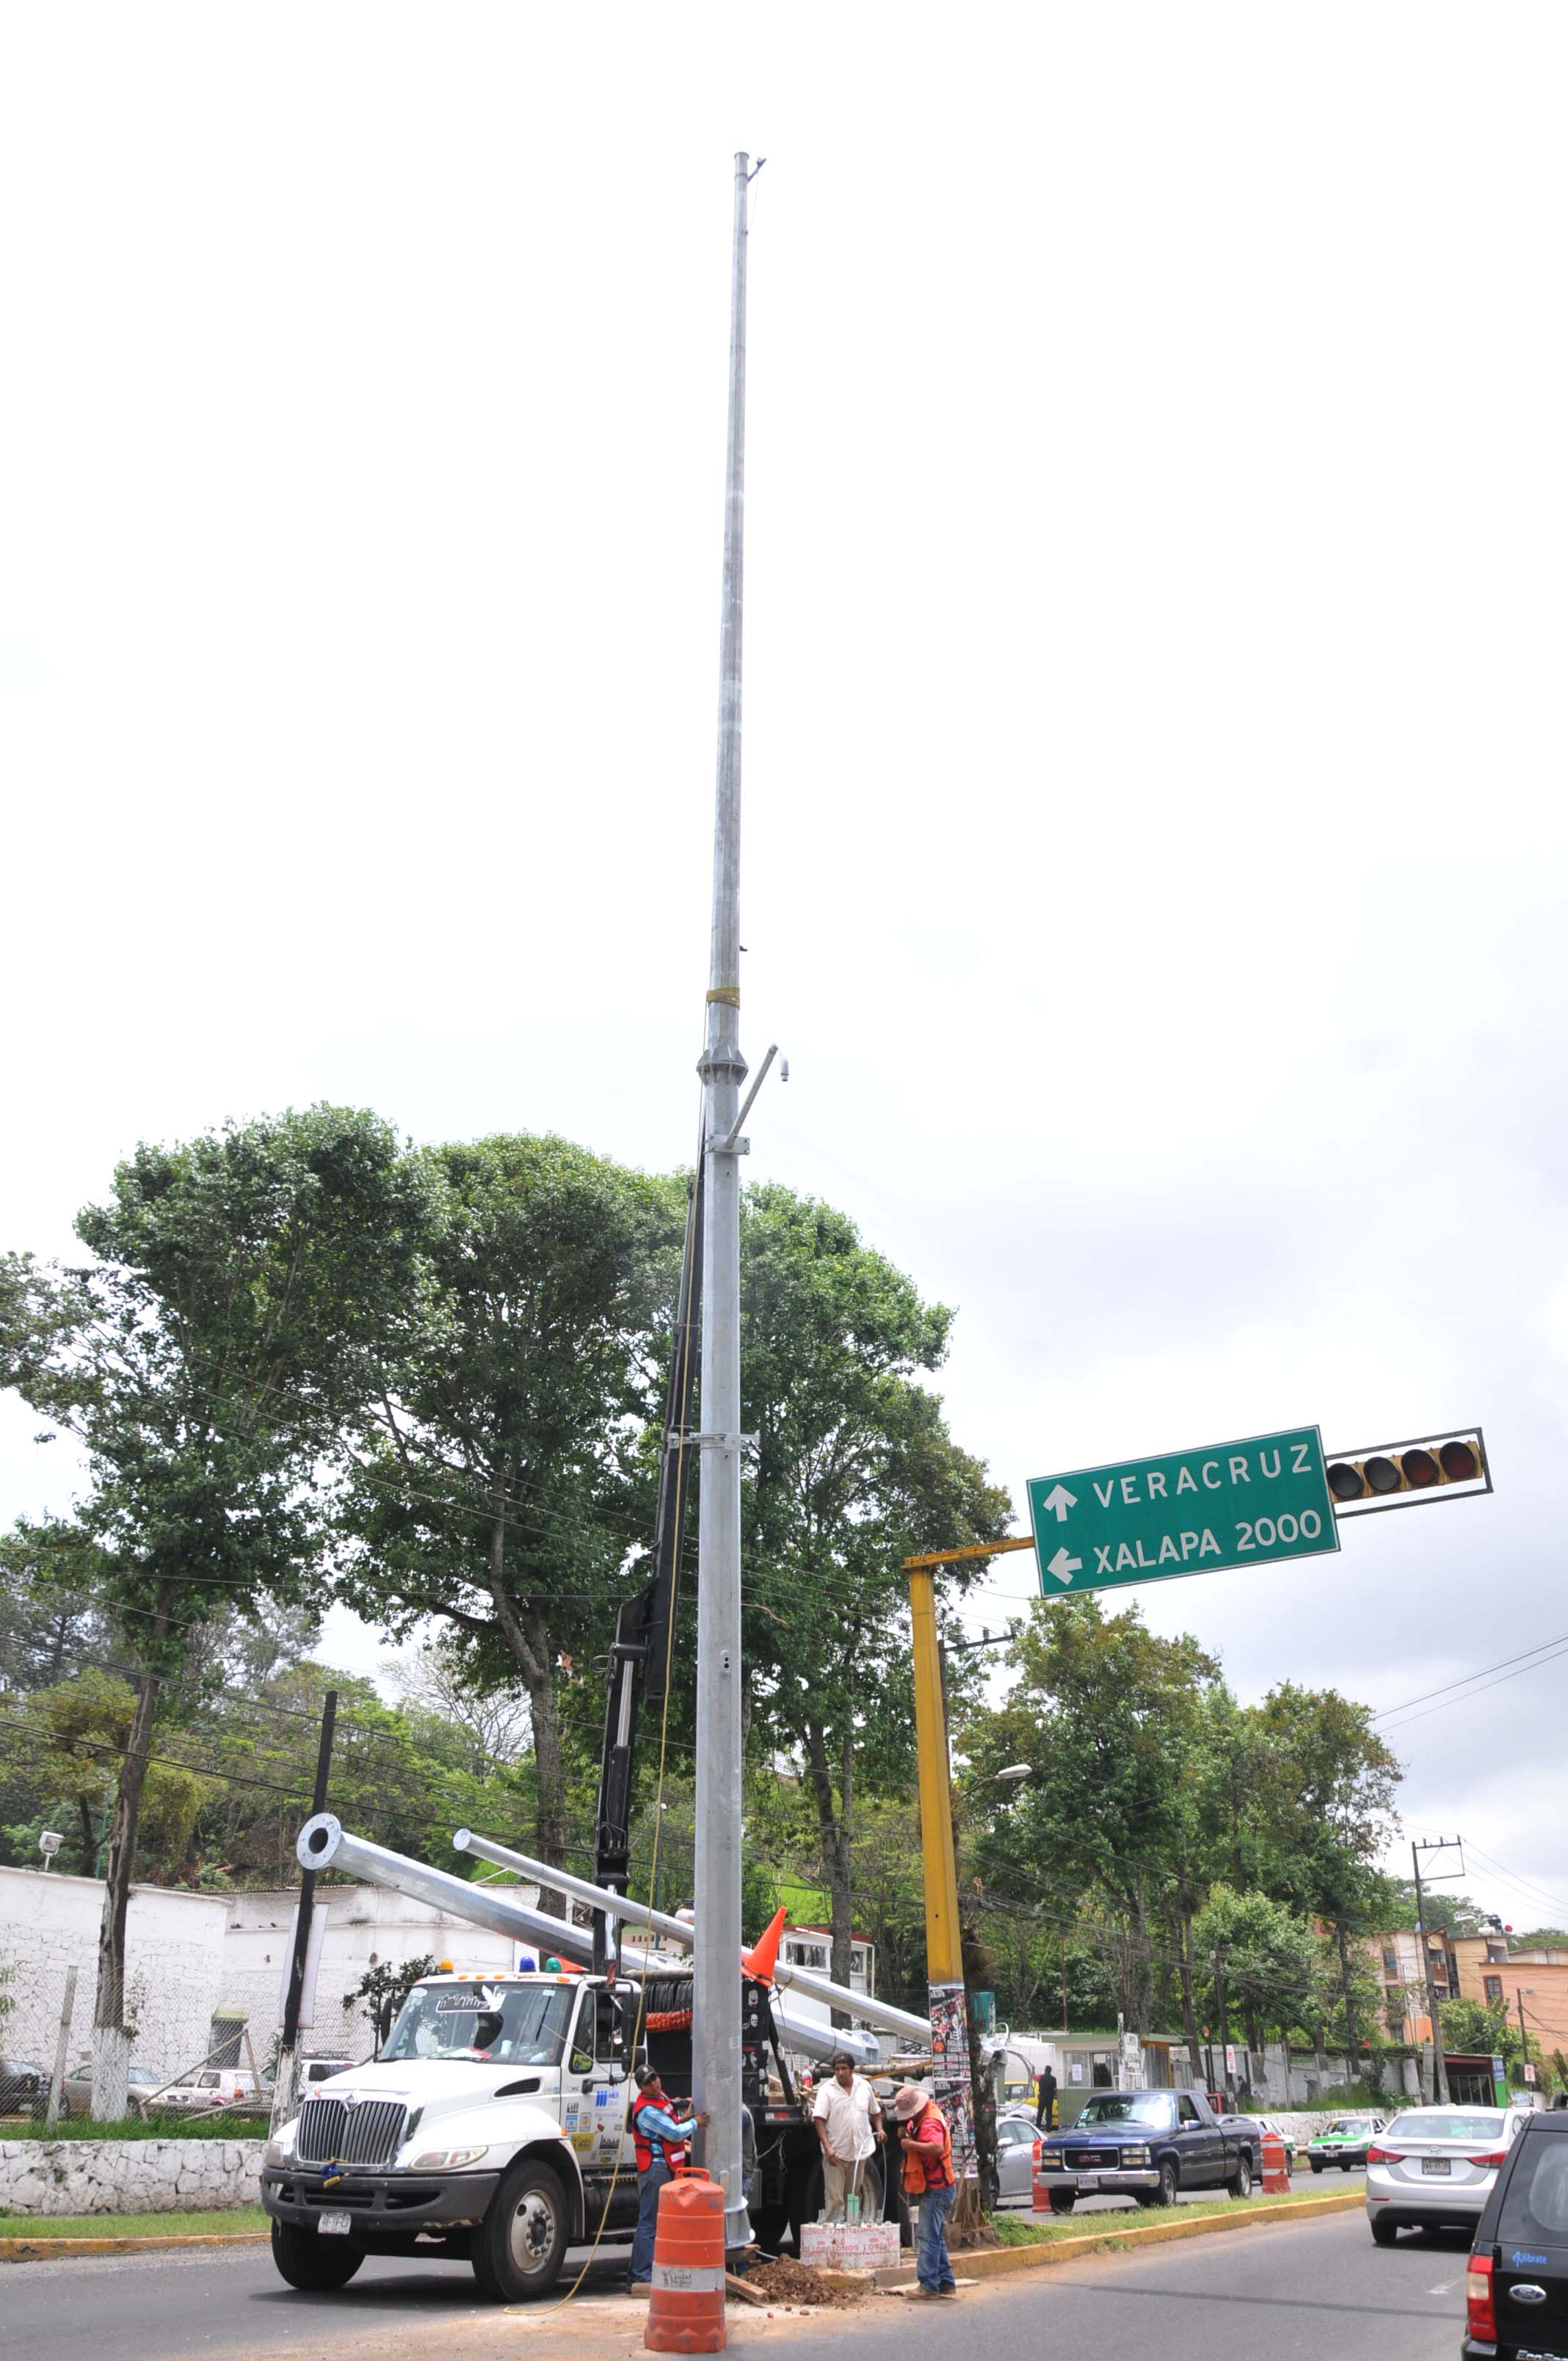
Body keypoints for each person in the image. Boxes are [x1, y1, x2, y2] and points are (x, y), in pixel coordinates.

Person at [628, 2067, 706, 2292]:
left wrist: (685, 2119)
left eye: (655, 2078)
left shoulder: (661, 2098)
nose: (654, 2083)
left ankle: (645, 2273)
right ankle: (641, 2277)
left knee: (659, 2225)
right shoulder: (646, 2111)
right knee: (649, 2224)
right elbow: (672, 2133)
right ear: (642, 2088)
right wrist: (695, 2123)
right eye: (648, 2082)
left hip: (668, 2167)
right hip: (656, 2169)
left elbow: (671, 2123)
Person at [894, 2082, 957, 2297]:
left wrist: (910, 2145)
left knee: (927, 2236)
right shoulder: (927, 2115)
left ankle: (928, 2285)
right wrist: (907, 2133)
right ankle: (946, 2281)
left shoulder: (929, 2122)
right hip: (941, 2186)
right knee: (935, 2236)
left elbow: (936, 2147)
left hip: (937, 2188)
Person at [813, 2050, 885, 2222]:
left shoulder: (864, 2086)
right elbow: (819, 2119)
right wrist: (828, 2147)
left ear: (851, 2070)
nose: (840, 2073)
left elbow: (875, 2112)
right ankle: (832, 2235)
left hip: (859, 2153)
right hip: (836, 2155)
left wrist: (880, 2129)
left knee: (854, 2195)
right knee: (835, 2199)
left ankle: (853, 2227)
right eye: (837, 2069)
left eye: (844, 2068)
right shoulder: (827, 2090)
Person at [1034, 2064, 1057, 2132]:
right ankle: (1048, 2128)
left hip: (1042, 2098)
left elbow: (1033, 2077)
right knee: (1049, 2113)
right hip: (1050, 2098)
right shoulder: (1054, 2079)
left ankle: (1038, 2127)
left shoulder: (1041, 2077)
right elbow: (1056, 2089)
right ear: (1050, 2071)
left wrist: (1033, 2069)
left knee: (1040, 2113)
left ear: (1045, 2070)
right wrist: (1053, 2094)